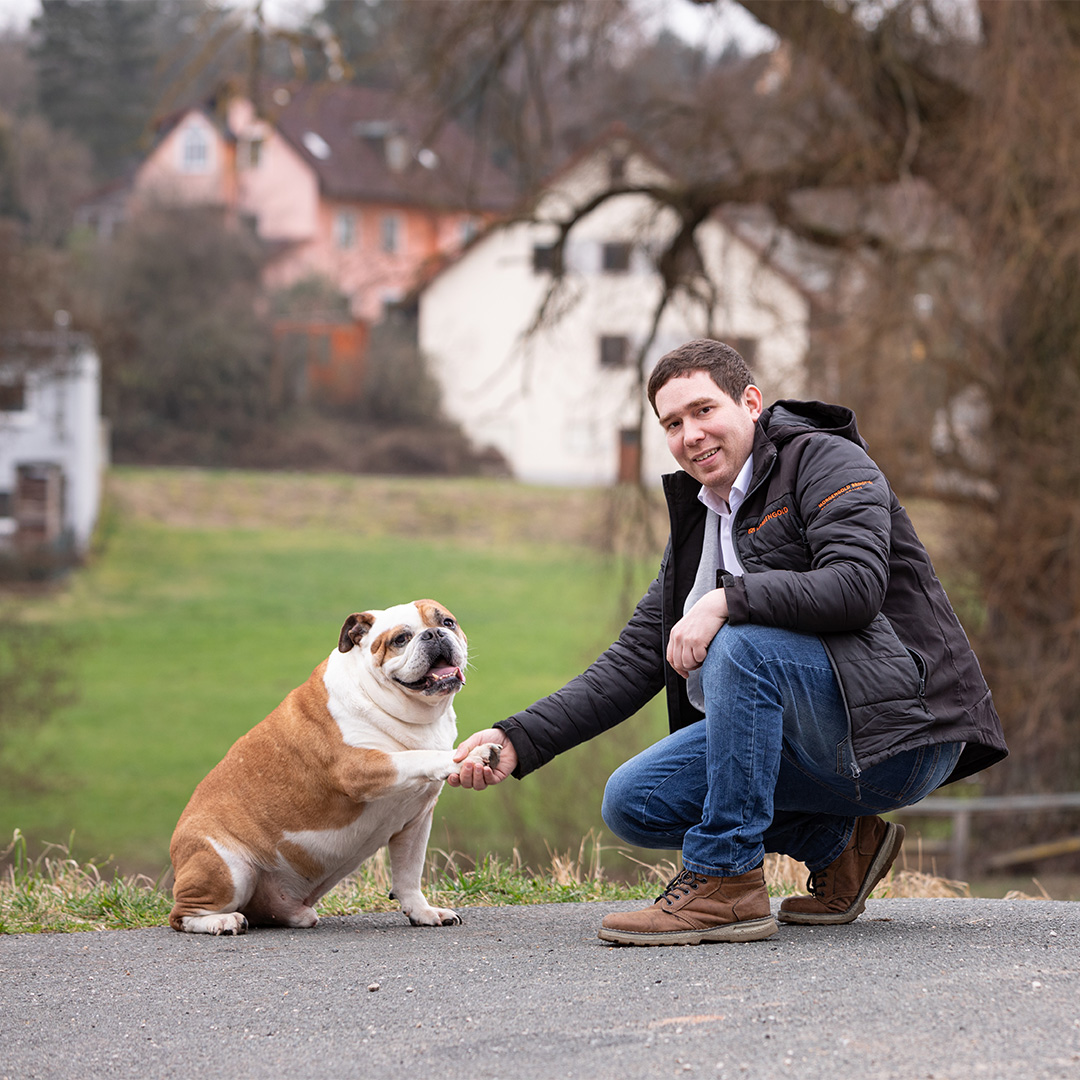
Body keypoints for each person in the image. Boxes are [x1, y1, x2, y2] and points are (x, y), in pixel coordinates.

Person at [449, 339, 1007, 947]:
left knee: (743, 644)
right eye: (673, 423)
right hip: (816, 747)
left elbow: (856, 586)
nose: (691, 434)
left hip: (899, 734)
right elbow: (639, 656)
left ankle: (726, 882)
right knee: (635, 799)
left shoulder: (828, 461)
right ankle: (844, 846)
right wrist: (519, 738)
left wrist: (726, 600)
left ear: (750, 402)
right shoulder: (708, 517)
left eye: (704, 410)